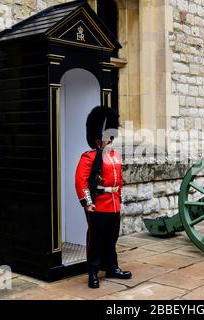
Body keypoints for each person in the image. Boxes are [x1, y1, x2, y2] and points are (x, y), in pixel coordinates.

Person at [75, 105, 132, 289]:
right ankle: (92, 272)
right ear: (98, 137)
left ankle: (111, 267)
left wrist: (119, 197)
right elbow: (81, 181)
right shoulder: (89, 157)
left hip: (113, 204)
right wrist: (87, 202)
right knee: (96, 240)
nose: (109, 138)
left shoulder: (114, 156)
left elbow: (119, 180)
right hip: (98, 205)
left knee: (111, 238)